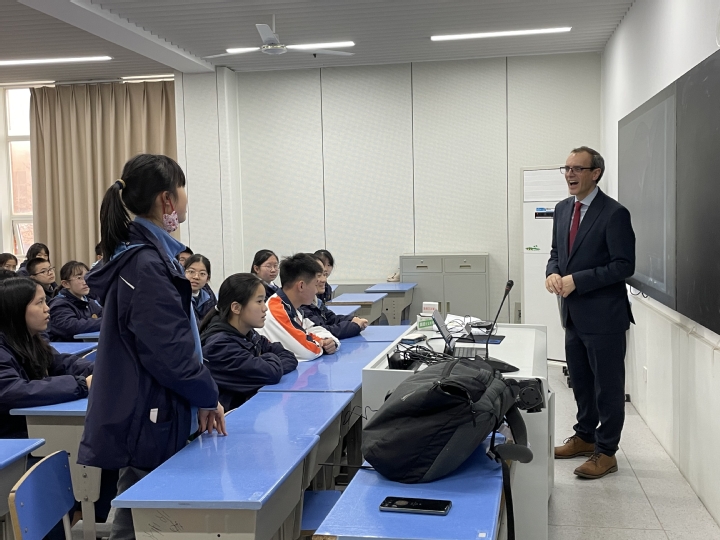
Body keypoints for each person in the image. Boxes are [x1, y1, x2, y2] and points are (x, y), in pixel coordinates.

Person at [78, 154, 225, 540]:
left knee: (147, 517)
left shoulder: (153, 257)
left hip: (158, 407)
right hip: (151, 412)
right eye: (183, 188)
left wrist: (202, 396)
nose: (187, 197)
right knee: (142, 523)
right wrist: (207, 394)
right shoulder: (146, 265)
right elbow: (170, 354)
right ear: (167, 200)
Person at [546, 146, 635, 480]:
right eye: (566, 168)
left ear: (595, 173)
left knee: (607, 388)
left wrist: (577, 281)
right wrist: (553, 273)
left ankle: (606, 452)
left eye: (577, 169)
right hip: (572, 315)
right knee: (581, 383)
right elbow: (556, 252)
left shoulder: (614, 213)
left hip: (605, 317)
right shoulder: (562, 209)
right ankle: (584, 437)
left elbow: (624, 265)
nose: (570, 174)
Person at [0, 277, 93, 439]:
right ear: (17, 309)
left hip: (27, 427)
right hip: (11, 435)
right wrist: (81, 384)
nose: (47, 308)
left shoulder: (29, 339)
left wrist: (99, 369)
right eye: (39, 303)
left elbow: (60, 363)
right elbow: (12, 391)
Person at [200, 273, 298, 410]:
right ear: (236, 308)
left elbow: (288, 356)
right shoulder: (219, 346)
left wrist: (264, 361)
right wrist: (269, 362)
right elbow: (271, 373)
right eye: (259, 301)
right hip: (230, 418)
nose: (265, 308)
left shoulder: (248, 333)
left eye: (264, 300)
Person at [258, 253, 340, 361]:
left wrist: (328, 340)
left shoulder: (294, 307)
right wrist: (322, 344)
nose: (316, 290)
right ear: (301, 286)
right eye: (315, 284)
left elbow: (313, 329)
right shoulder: (276, 309)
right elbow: (308, 351)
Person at [301, 255, 368, 339]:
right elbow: (320, 331)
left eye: (324, 274)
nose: (324, 280)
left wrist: (352, 319)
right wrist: (354, 326)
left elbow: (331, 318)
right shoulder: (301, 306)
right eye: (319, 275)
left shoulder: (316, 301)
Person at [48, 261, 102, 342]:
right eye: (79, 278)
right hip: (65, 348)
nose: (85, 282)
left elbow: (104, 315)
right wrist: (105, 322)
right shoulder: (58, 305)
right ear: (65, 284)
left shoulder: (89, 301)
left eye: (86, 276)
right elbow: (73, 327)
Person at [183, 254, 217, 323]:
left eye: (202, 273)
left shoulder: (211, 298)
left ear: (207, 278)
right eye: (191, 272)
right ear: (183, 273)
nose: (196, 277)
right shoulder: (176, 297)